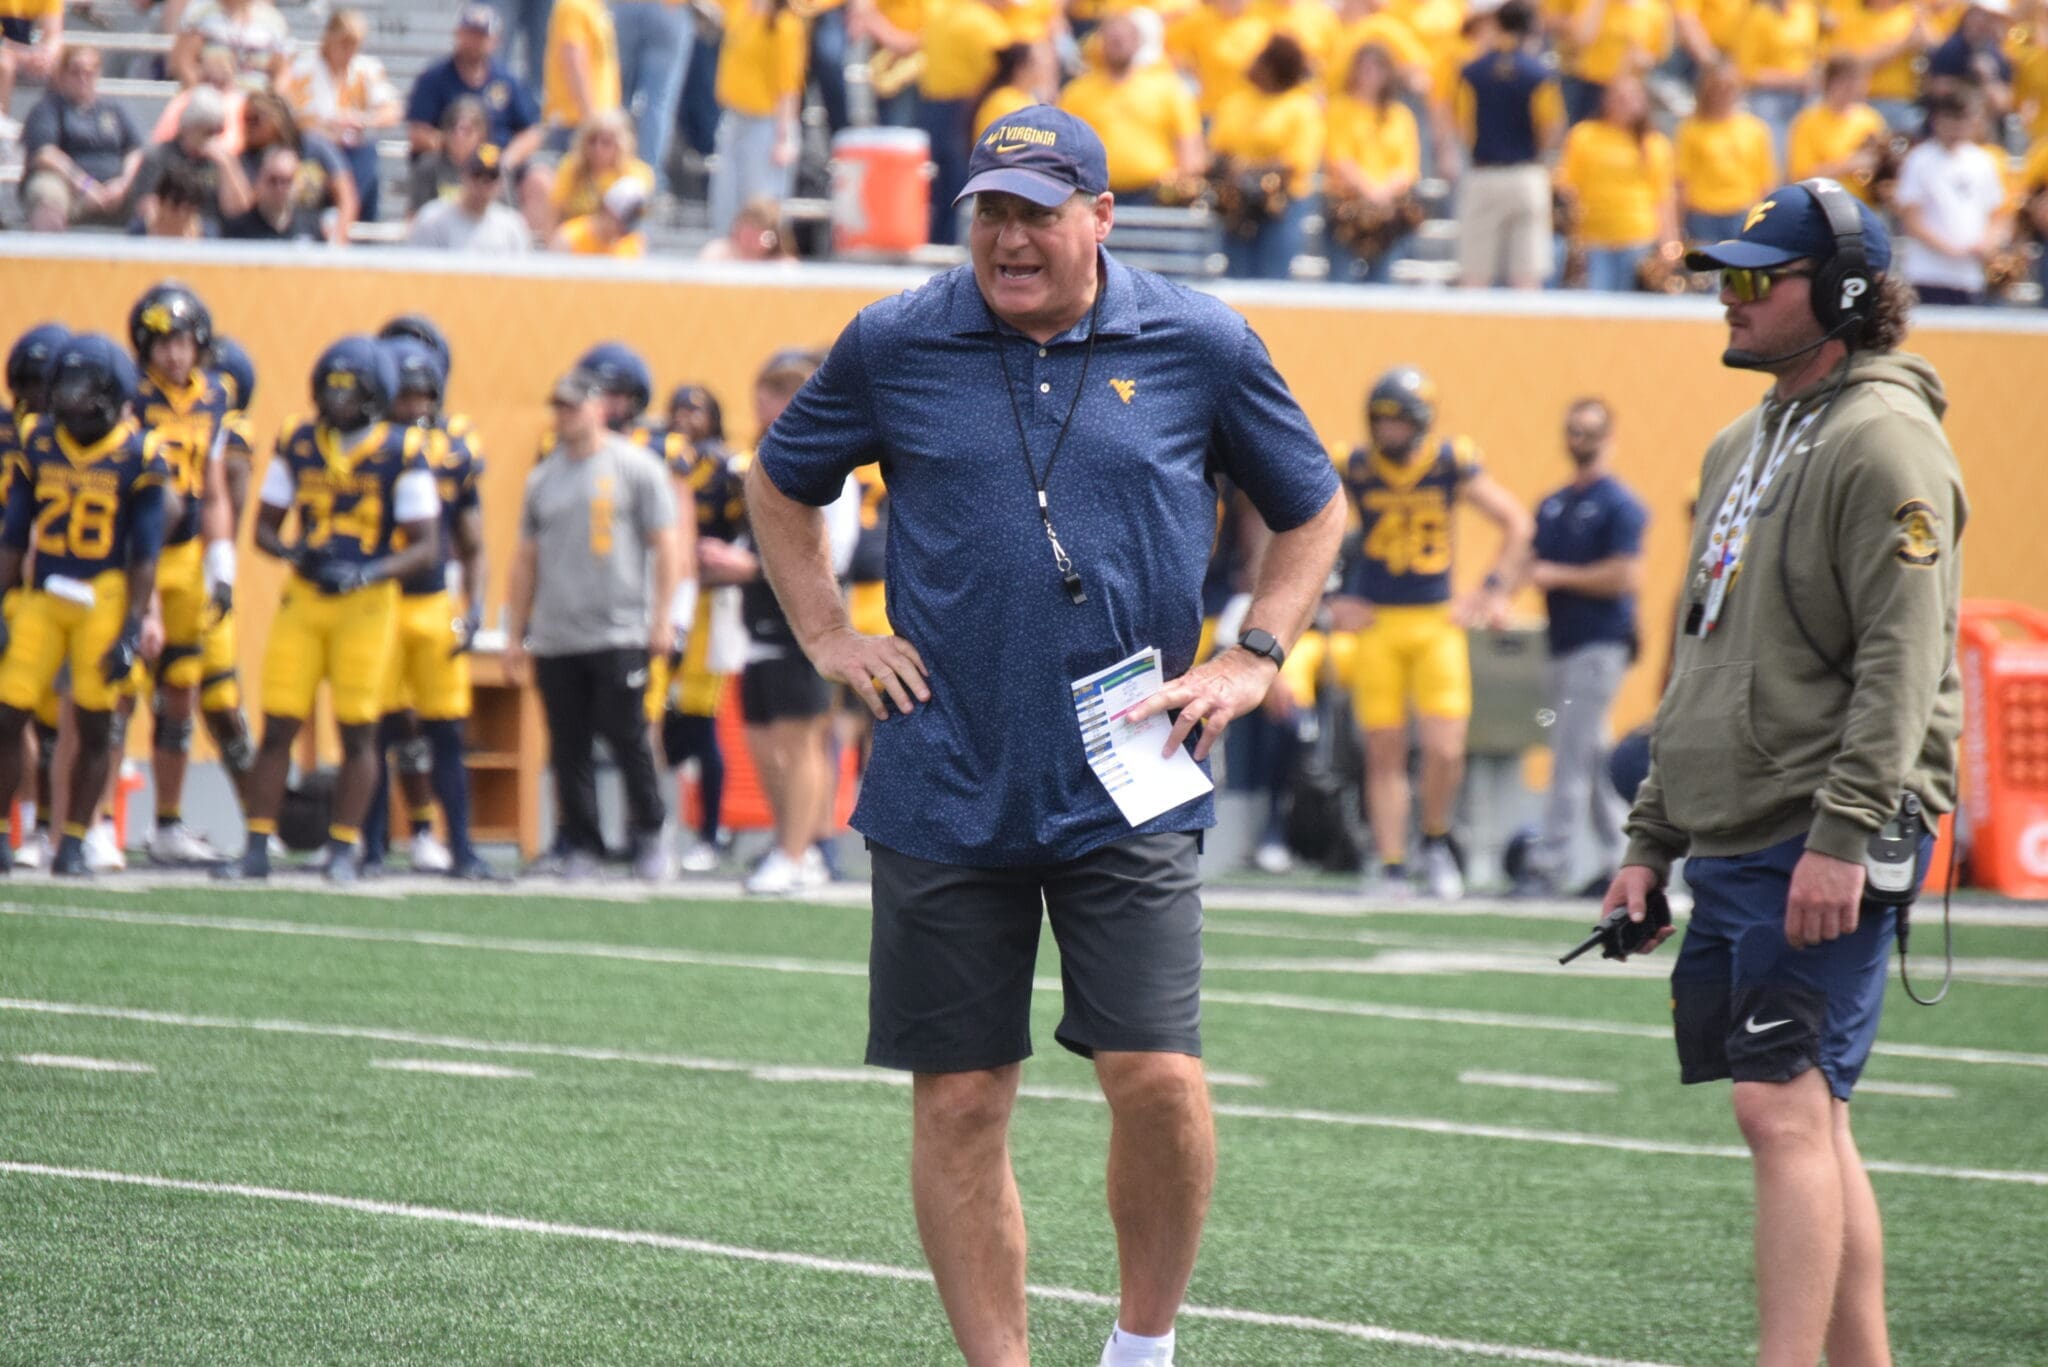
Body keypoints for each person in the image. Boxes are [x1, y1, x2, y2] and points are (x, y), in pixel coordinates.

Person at [743, 106, 1345, 1367]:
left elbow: (1311, 509)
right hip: (941, 766)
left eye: (1036, 211)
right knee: (960, 1099)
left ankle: (1142, 1345)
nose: (1008, 238)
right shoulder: (896, 338)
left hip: (1131, 769)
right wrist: (827, 634)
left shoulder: (1199, 339)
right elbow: (779, 477)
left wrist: (1252, 652)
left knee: (1156, 1077)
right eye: (990, 213)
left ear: (1100, 218)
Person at [1606, 178, 1965, 1367]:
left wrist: (1845, 833)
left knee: (1778, 1103)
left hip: (1818, 823)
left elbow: (1903, 658)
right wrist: (1648, 841)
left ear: (1847, 295)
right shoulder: (1741, 438)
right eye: (1724, 271)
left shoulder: (1883, 437)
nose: (1729, 293)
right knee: (1810, 1111)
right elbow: (1700, 654)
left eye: (1758, 276)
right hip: (1737, 825)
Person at [216, 339, 443, 884]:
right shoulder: (298, 438)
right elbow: (264, 529)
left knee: (358, 731)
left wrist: (368, 570)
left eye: (350, 390)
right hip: (305, 601)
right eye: (332, 388)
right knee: (277, 727)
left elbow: (426, 545)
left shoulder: (402, 448)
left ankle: (344, 847)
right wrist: (295, 552)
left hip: (367, 606)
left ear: (374, 394)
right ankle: (256, 846)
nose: (337, 400)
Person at [1331, 365, 1532, 901]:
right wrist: (1330, 598)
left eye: (1397, 421)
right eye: (1380, 420)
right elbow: (1301, 522)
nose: (1386, 430)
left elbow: (1517, 522)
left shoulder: (1450, 463)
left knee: (1445, 748)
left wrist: (1491, 591)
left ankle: (1436, 841)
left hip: (1436, 620)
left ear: (1420, 422)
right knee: (1383, 749)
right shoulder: (1353, 465)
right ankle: (1392, 863)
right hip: (1378, 622)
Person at [0, 335, 173, 877]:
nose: (70, 399)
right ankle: (6, 833)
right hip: (43, 595)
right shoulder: (38, 441)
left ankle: (74, 838)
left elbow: (145, 552)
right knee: (7, 713)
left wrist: (133, 625)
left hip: (105, 595)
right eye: (65, 387)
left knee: (98, 724)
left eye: (82, 388)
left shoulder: (140, 453)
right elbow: (12, 534)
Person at [504, 368, 681, 882]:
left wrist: (662, 616)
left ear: (599, 408)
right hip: (559, 632)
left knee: (628, 735)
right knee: (568, 743)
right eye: (557, 407)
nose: (564, 416)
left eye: (573, 406)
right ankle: (583, 841)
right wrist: (516, 632)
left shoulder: (635, 467)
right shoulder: (543, 477)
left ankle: (651, 830)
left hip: (620, 628)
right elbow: (525, 560)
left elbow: (666, 546)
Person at [359, 333, 498, 880]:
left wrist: (476, 604)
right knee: (370, 729)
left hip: (434, 601)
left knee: (446, 729)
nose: (414, 408)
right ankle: (366, 846)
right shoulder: (366, 446)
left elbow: (473, 538)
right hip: (380, 602)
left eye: (423, 397)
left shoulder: (453, 450)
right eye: (404, 397)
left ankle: (460, 847)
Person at [127, 282, 248, 866]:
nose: (175, 354)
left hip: (188, 559)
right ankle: (93, 823)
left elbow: (218, 486)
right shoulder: (129, 397)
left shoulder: (215, 396)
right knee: (117, 690)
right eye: (163, 343)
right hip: (136, 557)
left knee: (182, 694)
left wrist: (223, 564)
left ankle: (167, 824)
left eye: (183, 341)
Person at [734, 349, 860, 896]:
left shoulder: (830, 460)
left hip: (804, 614)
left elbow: (833, 549)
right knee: (764, 737)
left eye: (785, 389)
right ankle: (791, 840)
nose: (770, 401)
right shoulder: (759, 457)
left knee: (802, 737)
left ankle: (799, 849)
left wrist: (751, 564)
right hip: (757, 614)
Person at [1512, 397, 1645, 898]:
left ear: (1608, 438)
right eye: (1572, 430)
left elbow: (1626, 575)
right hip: (1561, 644)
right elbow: (1528, 556)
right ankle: (1622, 858)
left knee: (1568, 755)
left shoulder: (1618, 504)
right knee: (1591, 757)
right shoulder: (1554, 503)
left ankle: (1551, 862)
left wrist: (1558, 576)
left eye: (1588, 432)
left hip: (1599, 645)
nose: (1578, 441)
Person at [663, 383, 746, 873]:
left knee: (699, 716)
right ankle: (660, 825)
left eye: (696, 410)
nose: (685, 418)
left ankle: (710, 831)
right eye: (678, 409)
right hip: (669, 597)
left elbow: (747, 529)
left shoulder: (727, 466)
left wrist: (724, 558)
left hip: (712, 599)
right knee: (664, 718)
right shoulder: (660, 457)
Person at [1451, 0, 1563, 289]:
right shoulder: (1539, 75)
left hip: (1484, 172)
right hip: (1526, 173)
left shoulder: (1472, 72)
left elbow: (1464, 127)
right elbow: (1551, 127)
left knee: (1475, 274)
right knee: (1527, 275)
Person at [1209, 33, 1325, 280]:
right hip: (1238, 202)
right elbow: (1218, 150)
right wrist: (1235, 169)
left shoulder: (1301, 107)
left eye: (1262, 60)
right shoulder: (1236, 101)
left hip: (1281, 204)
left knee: (1272, 276)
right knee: (1236, 274)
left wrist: (1246, 167)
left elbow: (1297, 162)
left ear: (1276, 69)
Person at [1056, 12, 1204, 205]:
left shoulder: (1167, 88)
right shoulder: (1077, 92)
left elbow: (1190, 146)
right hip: (1093, 193)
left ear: (1138, 42)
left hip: (1153, 197)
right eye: (1112, 39)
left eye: (1123, 39)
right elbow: (1061, 146)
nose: (1118, 44)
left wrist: (1179, 184)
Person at [1556, 73, 1679, 291]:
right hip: (1594, 237)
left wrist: (1669, 243)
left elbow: (1663, 197)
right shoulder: (1584, 135)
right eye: (1618, 97)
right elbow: (1569, 185)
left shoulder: (1654, 144)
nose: (1623, 103)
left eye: (1630, 98)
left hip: (1637, 235)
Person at [277, 9, 403, 223]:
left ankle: (346, 215)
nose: (349, 51)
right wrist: (326, 128)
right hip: (313, 148)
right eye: (344, 43)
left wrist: (363, 120)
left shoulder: (366, 70)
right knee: (318, 148)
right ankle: (338, 213)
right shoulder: (303, 69)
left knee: (368, 152)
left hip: (353, 147)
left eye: (354, 44)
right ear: (329, 39)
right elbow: (290, 114)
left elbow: (393, 110)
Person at [1893, 89, 2012, 307]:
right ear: (1938, 121)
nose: (1956, 131)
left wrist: (1987, 243)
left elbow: (1998, 213)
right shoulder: (1919, 159)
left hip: (1970, 276)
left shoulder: (1983, 161)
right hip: (1927, 272)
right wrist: (1950, 249)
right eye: (1951, 122)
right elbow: (1911, 219)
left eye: (1962, 122)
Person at [707, 0, 807, 237]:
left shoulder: (786, 25)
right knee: (725, 203)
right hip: (733, 118)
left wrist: (785, 137)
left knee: (760, 209)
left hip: (766, 124)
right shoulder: (740, 9)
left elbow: (788, 86)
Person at [1325, 42, 1423, 283]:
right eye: (1362, 69)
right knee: (1341, 281)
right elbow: (1339, 157)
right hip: (1347, 208)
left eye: (1375, 69)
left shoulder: (1399, 115)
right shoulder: (1339, 109)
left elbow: (1407, 166)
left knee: (1384, 283)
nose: (1367, 75)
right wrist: (1369, 190)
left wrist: (1383, 193)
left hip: (1387, 212)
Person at [20, 47, 146, 231]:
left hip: (116, 190)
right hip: (67, 186)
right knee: (46, 192)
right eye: (75, 72)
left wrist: (123, 184)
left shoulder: (115, 109)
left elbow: (136, 150)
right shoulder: (48, 109)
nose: (83, 78)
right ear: (62, 74)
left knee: (158, 194)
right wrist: (85, 185)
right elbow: (45, 155)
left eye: (89, 72)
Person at [405, 6, 544, 163]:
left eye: (481, 36)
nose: (475, 42)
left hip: (494, 162)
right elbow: (417, 132)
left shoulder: (507, 80)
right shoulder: (433, 78)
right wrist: (453, 144)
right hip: (446, 163)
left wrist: (507, 159)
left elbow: (532, 132)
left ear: (495, 41)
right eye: (470, 34)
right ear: (458, 34)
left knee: (538, 179)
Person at [1675, 61, 1779, 246]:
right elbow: (1682, 182)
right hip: (1703, 215)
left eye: (1728, 88)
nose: (1722, 94)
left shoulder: (1755, 129)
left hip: (1743, 212)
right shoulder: (1691, 129)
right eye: (1717, 88)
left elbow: (1766, 180)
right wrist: (1678, 226)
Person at [238, 92, 359, 247]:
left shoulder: (313, 146)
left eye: (254, 120)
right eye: (244, 120)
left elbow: (346, 195)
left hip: (314, 231)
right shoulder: (247, 158)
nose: (246, 127)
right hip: (264, 233)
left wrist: (338, 242)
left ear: (276, 119)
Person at [129, 88, 253, 235]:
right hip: (168, 230)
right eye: (208, 130)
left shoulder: (223, 161)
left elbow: (239, 210)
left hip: (212, 233)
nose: (214, 136)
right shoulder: (159, 156)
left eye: (219, 130)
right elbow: (145, 206)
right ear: (189, 127)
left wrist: (226, 165)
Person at [611, 0, 691, 190]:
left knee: (618, 96)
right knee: (658, 102)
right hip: (669, 8)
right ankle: (649, 179)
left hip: (626, 7)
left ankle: (612, 169)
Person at [1786, 56, 1888, 203]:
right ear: (1828, 83)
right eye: (1844, 82)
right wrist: (1849, 164)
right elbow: (1800, 176)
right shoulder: (1807, 121)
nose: (1851, 88)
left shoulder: (1871, 119)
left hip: (1865, 206)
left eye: (1856, 81)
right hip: (1823, 206)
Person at [1731, 0, 1818, 162]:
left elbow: (1812, 54)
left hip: (1804, 95)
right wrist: (1793, 80)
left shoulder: (1806, 11)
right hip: (1769, 96)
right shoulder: (1756, 16)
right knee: (1776, 156)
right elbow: (1748, 71)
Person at [409, 143, 533, 251]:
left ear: (500, 183)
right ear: (463, 175)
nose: (483, 185)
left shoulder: (512, 227)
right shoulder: (433, 219)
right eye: (477, 176)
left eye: (491, 178)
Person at [541, 0, 621, 148]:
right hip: (575, 123)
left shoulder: (596, 7)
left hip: (597, 122)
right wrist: (591, 119)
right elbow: (573, 60)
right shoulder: (573, 5)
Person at [170, 0, 290, 87]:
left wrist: (271, 100)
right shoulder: (200, 13)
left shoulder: (273, 20)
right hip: (211, 99)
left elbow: (282, 70)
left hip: (256, 102)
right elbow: (182, 62)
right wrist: (197, 88)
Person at [0, 0, 63, 144]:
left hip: (19, 51)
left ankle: (57, 130)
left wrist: (46, 56)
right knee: (4, 64)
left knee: (63, 67)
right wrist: (27, 55)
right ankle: (2, 136)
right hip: (8, 54)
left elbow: (54, 36)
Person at [553, 175, 649, 254]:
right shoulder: (569, 238)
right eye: (627, 217)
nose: (624, 229)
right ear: (608, 210)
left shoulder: (634, 243)